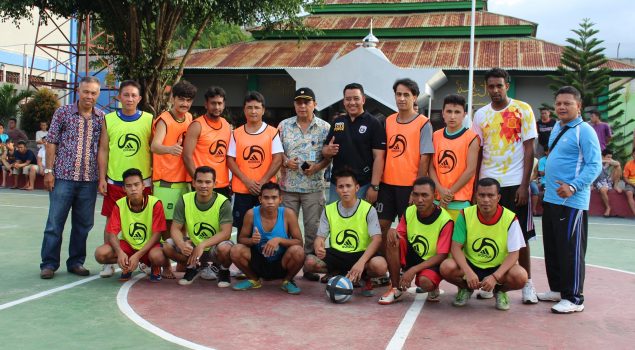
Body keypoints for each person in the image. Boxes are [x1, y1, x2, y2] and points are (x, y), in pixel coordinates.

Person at [471, 67, 538, 304]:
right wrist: (475, 186)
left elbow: (530, 149)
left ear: (507, 85)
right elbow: (477, 151)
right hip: (488, 184)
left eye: (500, 85)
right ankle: (491, 283)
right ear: (486, 88)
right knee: (491, 234)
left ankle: (527, 283)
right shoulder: (480, 115)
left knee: (522, 236)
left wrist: (524, 185)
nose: (495, 90)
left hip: (514, 184)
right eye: (491, 86)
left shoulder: (523, 109)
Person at [537, 86, 602, 314]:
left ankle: (574, 298)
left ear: (579, 106)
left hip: (572, 202)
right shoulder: (557, 126)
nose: (562, 107)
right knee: (553, 247)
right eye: (558, 104)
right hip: (552, 198)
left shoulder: (584, 130)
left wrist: (573, 186)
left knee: (570, 250)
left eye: (567, 103)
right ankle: (557, 289)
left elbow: (595, 165)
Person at [40, 76, 105, 279]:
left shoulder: (101, 118)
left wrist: (101, 178)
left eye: (93, 93)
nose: (89, 96)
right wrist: (49, 172)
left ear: (98, 94)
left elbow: (103, 149)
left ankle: (76, 262)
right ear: (79, 91)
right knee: (54, 223)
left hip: (88, 180)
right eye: (86, 91)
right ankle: (49, 264)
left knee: (83, 224)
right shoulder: (63, 112)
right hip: (63, 178)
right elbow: (51, 142)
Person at [440, 178, 528, 311]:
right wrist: (468, 272)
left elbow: (514, 254)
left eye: (490, 195)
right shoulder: (465, 214)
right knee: (446, 267)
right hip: (472, 264)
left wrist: (495, 277)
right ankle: (466, 288)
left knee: (521, 277)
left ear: (498, 197)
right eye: (482, 195)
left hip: (498, 267)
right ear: (476, 196)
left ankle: (499, 291)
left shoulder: (510, 218)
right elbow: (455, 247)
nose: (486, 200)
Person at [98, 80, 153, 278]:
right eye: (126, 95)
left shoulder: (148, 119)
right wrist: (102, 177)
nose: (129, 99)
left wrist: (153, 177)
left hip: (142, 182)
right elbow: (103, 149)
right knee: (110, 222)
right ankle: (109, 264)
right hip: (115, 181)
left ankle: (145, 260)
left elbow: (153, 149)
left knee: (144, 221)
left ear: (139, 99)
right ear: (119, 97)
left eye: (133, 95)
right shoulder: (109, 119)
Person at [304, 168, 388, 297]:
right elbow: (320, 238)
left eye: (348, 186)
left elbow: (377, 239)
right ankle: (339, 272)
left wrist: (361, 263)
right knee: (310, 262)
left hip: (361, 253)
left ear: (357, 188)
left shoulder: (368, 209)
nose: (345, 190)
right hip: (338, 254)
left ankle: (365, 277)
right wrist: (318, 247)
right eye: (341, 187)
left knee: (380, 266)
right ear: (336, 189)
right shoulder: (329, 209)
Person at [278, 87, 331, 281]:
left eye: (306, 102)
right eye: (299, 102)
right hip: (288, 187)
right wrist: (285, 160)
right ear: (294, 105)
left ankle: (309, 267)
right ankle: (287, 266)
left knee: (313, 229)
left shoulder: (325, 127)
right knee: (287, 230)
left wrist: (317, 167)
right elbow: (276, 151)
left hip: (314, 188)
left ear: (314, 104)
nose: (302, 106)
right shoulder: (284, 126)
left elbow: (330, 156)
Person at [377, 78, 433, 252]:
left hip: (408, 187)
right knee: (381, 226)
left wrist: (416, 189)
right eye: (398, 94)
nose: (402, 98)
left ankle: (403, 265)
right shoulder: (388, 121)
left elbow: (425, 158)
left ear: (415, 97)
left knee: (407, 228)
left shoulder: (423, 123)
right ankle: (383, 266)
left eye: (406, 95)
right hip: (387, 185)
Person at [378, 177, 453, 305]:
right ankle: (396, 288)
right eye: (416, 195)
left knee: (425, 283)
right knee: (392, 238)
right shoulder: (409, 211)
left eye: (425, 195)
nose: (419, 200)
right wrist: (392, 231)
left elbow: (442, 255)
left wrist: (412, 271)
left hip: (432, 261)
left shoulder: (445, 220)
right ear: (412, 195)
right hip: (413, 254)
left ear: (434, 195)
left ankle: (433, 286)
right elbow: (399, 237)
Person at [163, 166, 233, 287]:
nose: (203, 185)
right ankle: (193, 267)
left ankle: (223, 270)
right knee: (168, 246)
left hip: (213, 247)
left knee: (226, 248)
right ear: (193, 183)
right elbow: (175, 228)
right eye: (200, 181)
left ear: (214, 184)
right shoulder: (185, 200)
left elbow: (226, 233)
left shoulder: (223, 202)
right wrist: (181, 244)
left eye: (208, 182)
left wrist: (203, 244)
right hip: (194, 245)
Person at [229, 182, 305, 294]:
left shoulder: (288, 214)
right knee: (236, 250)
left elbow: (299, 242)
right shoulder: (251, 214)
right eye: (266, 198)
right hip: (259, 262)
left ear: (280, 199)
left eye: (274, 198)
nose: (270, 201)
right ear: (260, 199)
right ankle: (253, 279)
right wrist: (252, 240)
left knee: (298, 252)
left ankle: (287, 281)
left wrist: (279, 240)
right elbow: (241, 239)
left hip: (282, 263)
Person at [94, 168, 167, 282]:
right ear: (124, 189)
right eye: (129, 186)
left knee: (158, 257)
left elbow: (157, 235)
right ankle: (127, 264)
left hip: (149, 247)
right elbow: (112, 233)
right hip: (129, 245)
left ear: (143, 186)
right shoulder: (119, 205)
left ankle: (154, 266)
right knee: (100, 254)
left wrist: (138, 255)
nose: (133, 189)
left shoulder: (155, 203)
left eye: (136, 184)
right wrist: (120, 252)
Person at [227, 91, 283, 233]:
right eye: (249, 107)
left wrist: (263, 181)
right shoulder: (236, 133)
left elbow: (278, 159)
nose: (253, 111)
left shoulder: (272, 132)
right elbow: (230, 160)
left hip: (266, 191)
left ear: (263, 110)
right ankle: (242, 255)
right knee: (243, 230)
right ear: (244, 110)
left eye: (257, 107)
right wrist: (247, 181)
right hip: (242, 190)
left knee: (266, 228)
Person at [322, 83, 386, 204]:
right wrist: (327, 151)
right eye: (348, 99)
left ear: (363, 100)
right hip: (337, 185)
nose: (352, 102)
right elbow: (325, 149)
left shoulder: (373, 123)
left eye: (356, 98)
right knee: (335, 221)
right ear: (344, 101)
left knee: (360, 222)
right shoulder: (337, 122)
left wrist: (374, 186)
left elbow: (379, 157)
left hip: (362, 185)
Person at [429, 94, 480, 221]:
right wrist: (440, 190)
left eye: (457, 112)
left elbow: (470, 170)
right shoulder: (435, 136)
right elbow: (431, 167)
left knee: (457, 240)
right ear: (443, 113)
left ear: (464, 114)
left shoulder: (472, 138)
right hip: (436, 200)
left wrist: (448, 195)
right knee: (436, 240)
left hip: (460, 202)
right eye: (449, 111)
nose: (452, 116)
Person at [183, 86, 232, 198]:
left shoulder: (226, 124)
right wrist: (198, 182)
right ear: (206, 104)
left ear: (224, 105)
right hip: (202, 186)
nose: (216, 107)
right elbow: (187, 156)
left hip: (222, 184)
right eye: (213, 103)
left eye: (220, 103)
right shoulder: (197, 125)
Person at [593, 148, 623, 217]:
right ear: (602, 156)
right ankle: (608, 207)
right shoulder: (597, 160)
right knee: (603, 190)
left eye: (611, 157)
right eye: (608, 157)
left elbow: (618, 163)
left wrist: (609, 161)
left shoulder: (608, 161)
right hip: (598, 181)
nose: (610, 159)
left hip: (607, 180)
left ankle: (615, 185)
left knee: (618, 167)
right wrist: (604, 161)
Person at [623, 149, 635, 217]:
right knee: (629, 193)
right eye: (634, 154)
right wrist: (632, 184)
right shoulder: (628, 164)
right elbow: (625, 178)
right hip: (630, 183)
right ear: (632, 155)